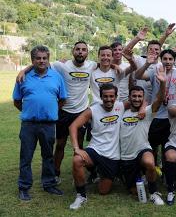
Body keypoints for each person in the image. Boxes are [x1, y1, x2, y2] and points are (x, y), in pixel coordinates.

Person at [16, 41, 98, 183]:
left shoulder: (91, 65)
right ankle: (56, 173)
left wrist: (115, 65)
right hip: (64, 111)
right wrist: (24, 70)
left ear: (87, 53)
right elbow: (42, 63)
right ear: (73, 51)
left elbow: (106, 64)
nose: (80, 52)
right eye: (77, 49)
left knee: (78, 145)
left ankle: (79, 174)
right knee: (59, 144)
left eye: (84, 50)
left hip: (81, 111)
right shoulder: (61, 66)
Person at [13, 45, 67, 201]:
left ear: (48, 59)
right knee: (26, 157)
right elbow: (17, 101)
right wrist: (30, 112)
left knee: (48, 156)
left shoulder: (56, 77)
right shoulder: (23, 77)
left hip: (48, 125)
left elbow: (63, 99)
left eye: (44, 58)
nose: (41, 61)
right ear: (32, 60)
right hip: (29, 125)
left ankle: (49, 184)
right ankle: (24, 187)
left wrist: (51, 111)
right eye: (38, 58)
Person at [68, 84, 124, 210]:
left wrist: (142, 108)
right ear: (100, 96)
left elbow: (141, 101)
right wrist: (77, 148)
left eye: (111, 96)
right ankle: (81, 195)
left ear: (116, 97)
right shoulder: (92, 110)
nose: (108, 99)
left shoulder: (121, 106)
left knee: (103, 191)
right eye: (105, 96)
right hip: (96, 149)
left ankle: (100, 173)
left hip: (112, 155)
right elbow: (73, 126)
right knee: (77, 160)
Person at [119, 66, 166, 205]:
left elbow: (160, 98)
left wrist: (163, 83)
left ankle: (153, 192)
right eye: (134, 96)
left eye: (140, 96)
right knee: (134, 191)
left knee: (149, 163)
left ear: (143, 98)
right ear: (129, 97)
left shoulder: (147, 112)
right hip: (127, 155)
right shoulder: (121, 111)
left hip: (142, 149)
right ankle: (138, 177)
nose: (137, 98)